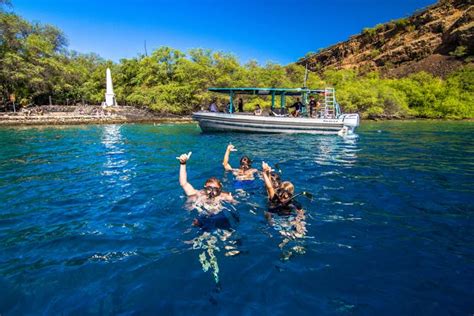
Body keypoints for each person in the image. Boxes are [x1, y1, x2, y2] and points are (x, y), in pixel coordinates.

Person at [177, 152, 236, 230]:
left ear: (219, 189)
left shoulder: (223, 196)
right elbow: (183, 183)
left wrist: (232, 199)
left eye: (215, 189)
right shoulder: (197, 194)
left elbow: (235, 203)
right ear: (205, 186)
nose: (212, 191)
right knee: (196, 223)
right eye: (209, 188)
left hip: (218, 217)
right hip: (202, 218)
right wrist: (183, 163)